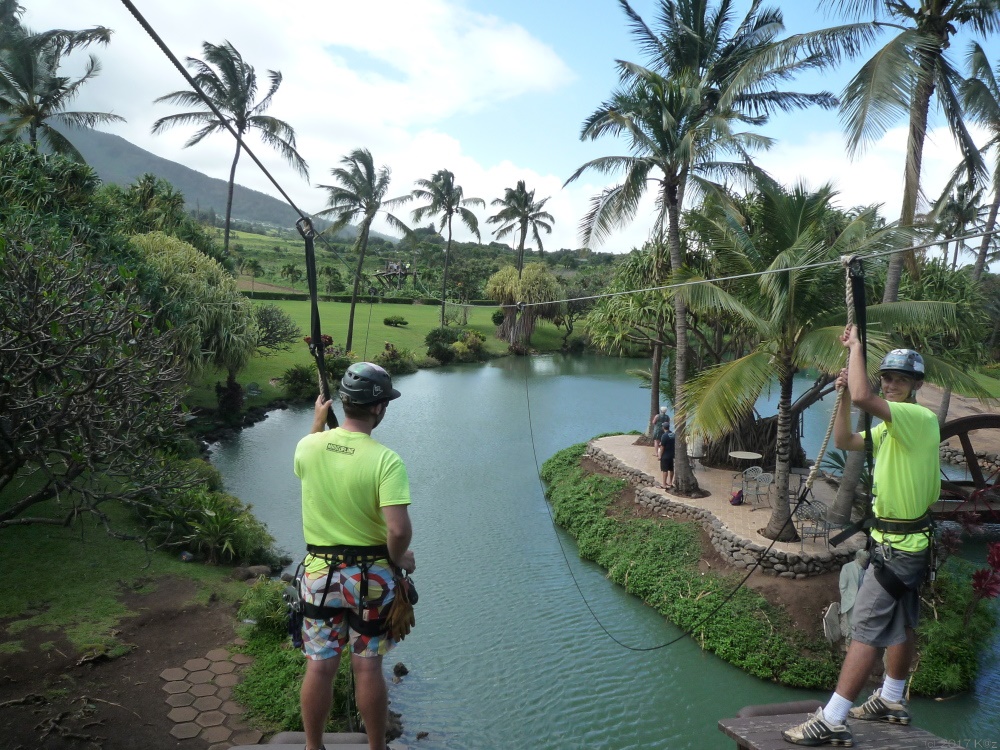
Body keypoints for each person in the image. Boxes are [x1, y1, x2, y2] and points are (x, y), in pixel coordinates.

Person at [783, 327, 939, 747]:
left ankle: (832, 719)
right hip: (904, 545)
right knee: (902, 623)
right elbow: (844, 440)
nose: (890, 384)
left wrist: (855, 350)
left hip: (899, 548)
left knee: (865, 629)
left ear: (916, 387)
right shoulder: (892, 428)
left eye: (899, 380)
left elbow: (869, 398)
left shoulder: (916, 418)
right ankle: (890, 698)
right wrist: (845, 397)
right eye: (886, 377)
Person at [293, 362, 416, 750]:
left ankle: (314, 747)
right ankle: (377, 748)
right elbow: (397, 529)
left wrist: (317, 422)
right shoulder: (386, 460)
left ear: (342, 403)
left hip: (319, 577)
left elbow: (306, 461)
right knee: (367, 667)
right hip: (370, 581)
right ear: (379, 408)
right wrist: (401, 559)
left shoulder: (308, 446)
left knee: (320, 666)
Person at [659, 416, 675, 490]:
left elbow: (662, 447)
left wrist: (660, 456)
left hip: (665, 455)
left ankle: (664, 484)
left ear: (663, 427)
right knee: (671, 469)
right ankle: (670, 482)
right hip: (671, 454)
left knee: (665, 470)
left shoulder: (664, 436)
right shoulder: (672, 434)